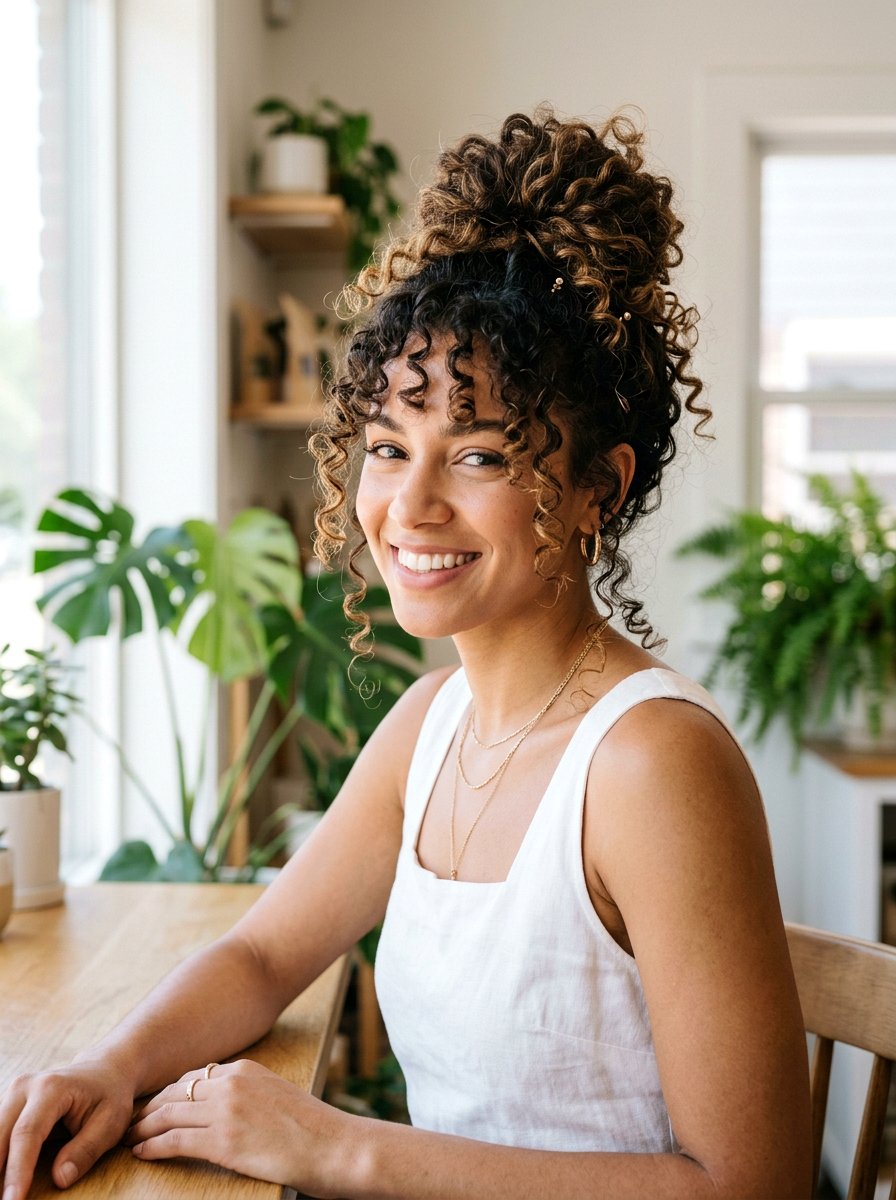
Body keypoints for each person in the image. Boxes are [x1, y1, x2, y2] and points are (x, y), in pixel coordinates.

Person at [0, 107, 811, 1199]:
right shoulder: (431, 725)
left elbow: (745, 1185)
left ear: (597, 490)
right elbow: (261, 958)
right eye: (388, 447)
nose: (409, 506)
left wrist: (337, 1146)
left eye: (477, 452)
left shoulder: (651, 764)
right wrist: (110, 1064)